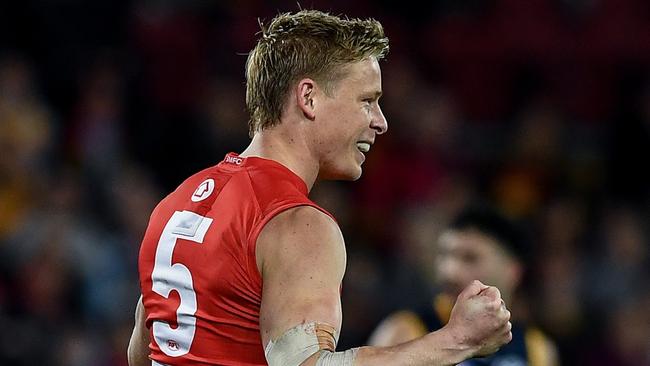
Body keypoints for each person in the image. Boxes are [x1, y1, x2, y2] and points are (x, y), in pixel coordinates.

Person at [128, 9, 512, 366]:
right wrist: (459, 339)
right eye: (367, 101)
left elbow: (141, 354)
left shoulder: (174, 204)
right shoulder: (298, 224)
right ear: (308, 97)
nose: (380, 122)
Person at [369, 204, 559, 365]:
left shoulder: (536, 348)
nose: (449, 272)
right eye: (445, 255)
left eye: (470, 258)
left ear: (513, 271)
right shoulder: (405, 331)